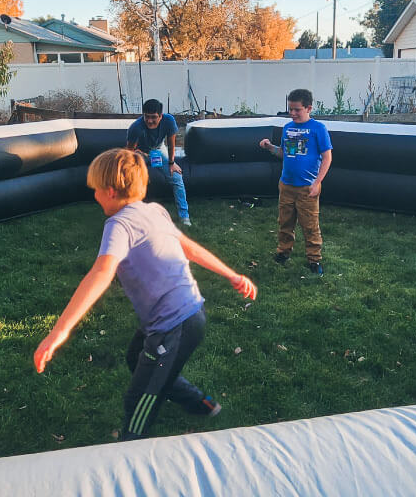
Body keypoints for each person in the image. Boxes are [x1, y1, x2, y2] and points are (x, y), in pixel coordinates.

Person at [33, 148, 257, 441]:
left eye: (96, 191)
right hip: (186, 316)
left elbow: (102, 272)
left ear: (111, 192)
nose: (94, 196)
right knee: (135, 357)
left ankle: (131, 446)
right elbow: (187, 246)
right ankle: (201, 404)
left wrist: (58, 332)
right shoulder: (154, 210)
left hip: (173, 327)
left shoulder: (119, 224)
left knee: (139, 401)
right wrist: (233, 275)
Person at [257, 88, 333, 276]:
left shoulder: (318, 129)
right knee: (285, 222)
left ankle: (314, 260)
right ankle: (283, 252)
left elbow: (327, 158)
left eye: (297, 109)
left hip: (307, 187)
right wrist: (269, 147)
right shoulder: (288, 128)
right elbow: (285, 153)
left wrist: (317, 183)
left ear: (308, 108)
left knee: (310, 225)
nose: (292, 113)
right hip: (286, 185)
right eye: (290, 109)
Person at [126, 99, 191, 227]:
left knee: (177, 177)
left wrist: (172, 163)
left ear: (161, 116)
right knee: (132, 179)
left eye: (154, 117)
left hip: (157, 150)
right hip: (140, 152)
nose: (150, 121)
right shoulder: (136, 127)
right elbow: (129, 152)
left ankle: (184, 217)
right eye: (147, 117)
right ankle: (132, 215)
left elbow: (172, 144)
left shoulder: (169, 121)